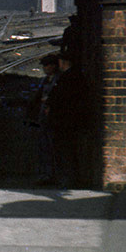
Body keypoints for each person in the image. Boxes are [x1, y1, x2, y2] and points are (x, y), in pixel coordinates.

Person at [46, 50, 87, 187]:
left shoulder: (68, 78)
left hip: (64, 121)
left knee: (66, 151)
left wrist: (49, 103)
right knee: (68, 150)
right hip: (68, 120)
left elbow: (61, 99)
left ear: (63, 63)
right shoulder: (75, 76)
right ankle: (69, 178)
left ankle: (69, 179)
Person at [27, 53, 60, 185]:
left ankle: (50, 175)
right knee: (44, 146)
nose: (44, 69)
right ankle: (46, 174)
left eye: (46, 66)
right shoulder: (46, 80)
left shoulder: (57, 80)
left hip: (52, 119)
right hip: (43, 118)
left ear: (53, 66)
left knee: (50, 147)